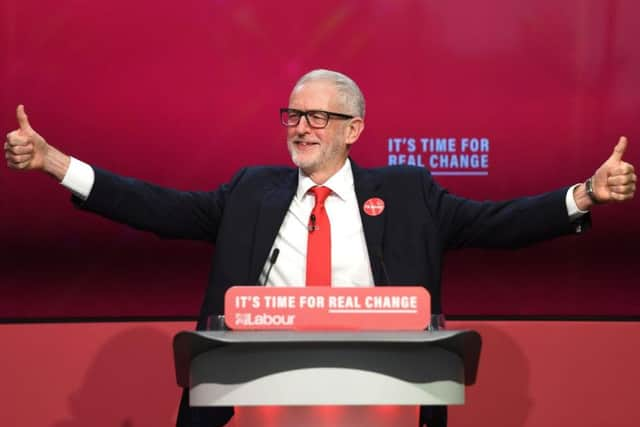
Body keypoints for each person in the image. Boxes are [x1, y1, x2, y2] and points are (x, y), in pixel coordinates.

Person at [4, 69, 636, 427]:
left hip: (384, 392)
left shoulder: (409, 192)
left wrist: (585, 194)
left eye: (318, 118)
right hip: (253, 393)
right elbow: (158, 208)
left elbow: (499, 223)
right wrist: (57, 163)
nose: (301, 128)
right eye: (292, 115)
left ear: (354, 129)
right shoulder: (253, 190)